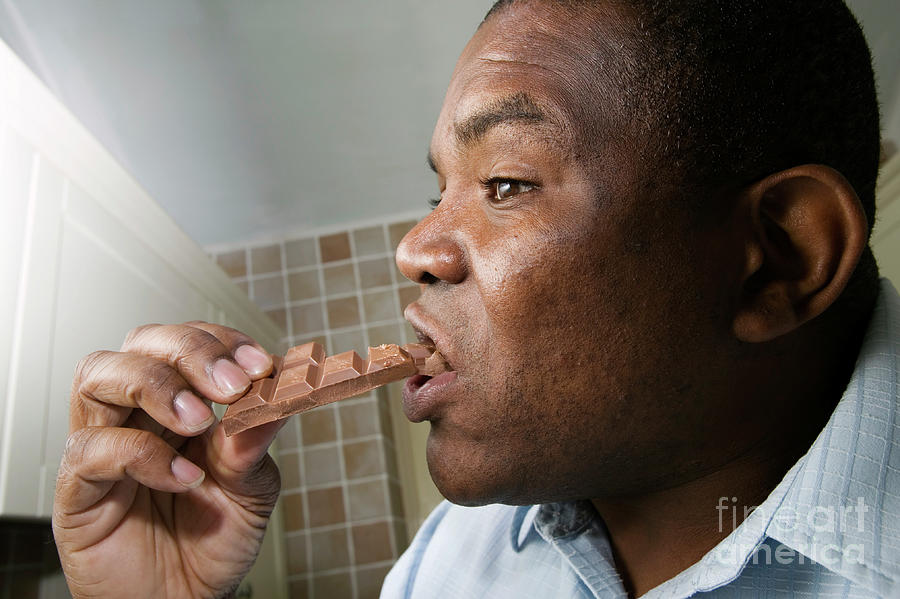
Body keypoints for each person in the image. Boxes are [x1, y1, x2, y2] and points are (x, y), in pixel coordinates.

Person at [52, 0, 898, 597]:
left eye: (505, 182)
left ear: (782, 257)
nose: (414, 249)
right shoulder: (448, 564)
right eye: (437, 194)